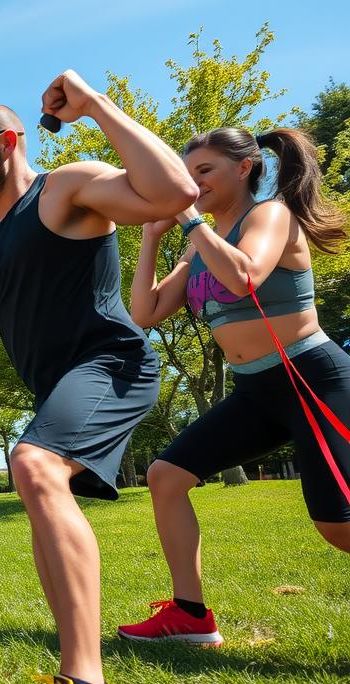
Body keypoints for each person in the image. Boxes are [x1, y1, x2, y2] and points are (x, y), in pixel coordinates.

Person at [0, 71, 196, 684]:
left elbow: (173, 192)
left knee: (31, 463)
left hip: (112, 364)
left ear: (7, 141)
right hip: (60, 385)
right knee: (39, 484)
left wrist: (94, 106)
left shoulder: (64, 187)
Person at [118, 126, 350, 647]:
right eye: (187, 175)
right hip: (254, 393)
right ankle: (190, 614)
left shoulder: (269, 215)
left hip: (309, 377)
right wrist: (153, 239)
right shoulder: (196, 243)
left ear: (243, 168)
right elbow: (146, 312)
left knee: (339, 527)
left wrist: (188, 219)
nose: (193, 184)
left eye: (204, 171)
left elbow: (243, 277)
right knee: (165, 476)